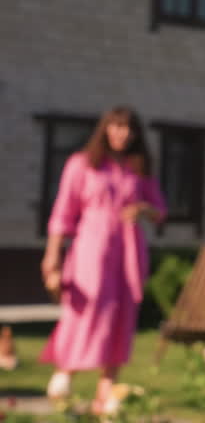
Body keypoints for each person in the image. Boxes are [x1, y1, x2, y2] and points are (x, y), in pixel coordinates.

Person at [40, 106, 167, 415]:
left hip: (128, 249)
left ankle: (106, 390)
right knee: (87, 306)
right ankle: (65, 371)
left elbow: (160, 211)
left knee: (121, 312)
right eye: (117, 126)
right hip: (92, 247)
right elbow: (63, 212)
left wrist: (143, 209)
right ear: (106, 129)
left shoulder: (138, 168)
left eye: (129, 128)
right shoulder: (82, 164)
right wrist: (53, 254)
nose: (123, 133)